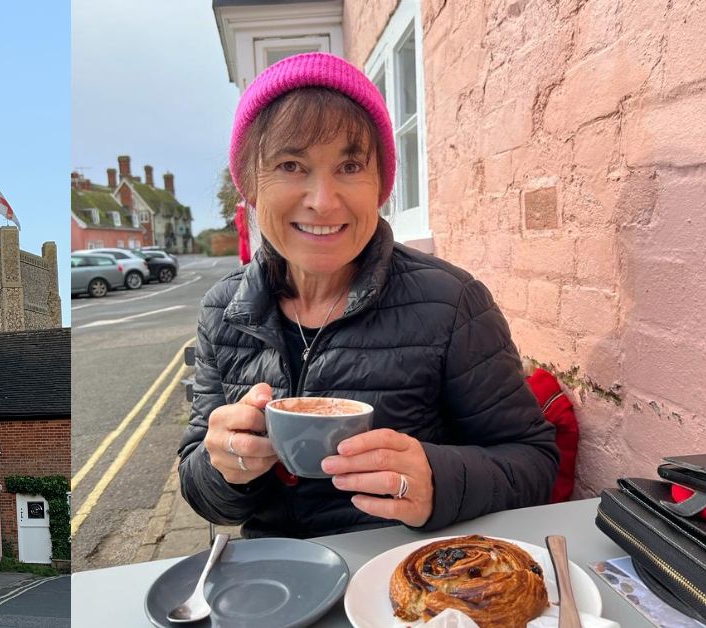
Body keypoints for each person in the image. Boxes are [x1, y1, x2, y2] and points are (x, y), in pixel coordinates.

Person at [177, 52, 558, 539]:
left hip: (401, 577)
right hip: (274, 584)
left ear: (381, 184)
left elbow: (533, 461)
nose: (323, 200)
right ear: (250, 185)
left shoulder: (453, 303)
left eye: (350, 165)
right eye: (291, 165)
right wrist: (224, 469)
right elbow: (201, 485)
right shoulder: (223, 312)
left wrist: (437, 480)